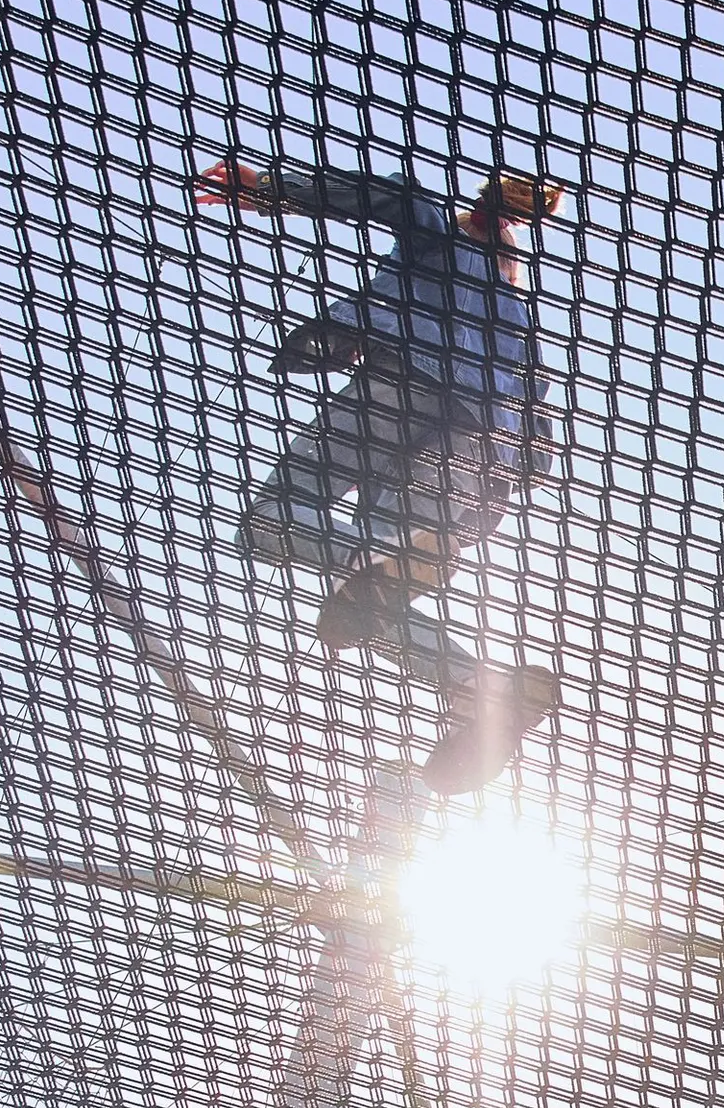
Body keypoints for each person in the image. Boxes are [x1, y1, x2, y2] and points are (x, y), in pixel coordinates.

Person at [199, 159, 571, 790]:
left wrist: (271, 189)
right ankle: (474, 689)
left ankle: (376, 560)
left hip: (402, 384)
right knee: (370, 598)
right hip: (474, 456)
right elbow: (538, 439)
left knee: (270, 522)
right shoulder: (519, 324)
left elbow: (393, 197)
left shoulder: (445, 240)